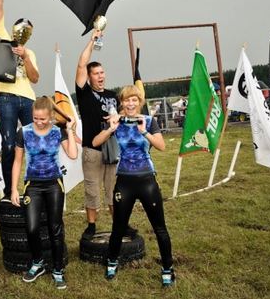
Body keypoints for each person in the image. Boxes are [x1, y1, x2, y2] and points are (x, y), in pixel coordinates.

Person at [92, 85, 175, 287]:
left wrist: (144, 131)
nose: (130, 104)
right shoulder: (116, 121)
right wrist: (111, 129)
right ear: (122, 102)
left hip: (147, 181)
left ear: (140, 103)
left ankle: (167, 268)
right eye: (127, 100)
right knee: (118, 227)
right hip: (124, 182)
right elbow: (95, 142)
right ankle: (112, 262)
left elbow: (162, 146)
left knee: (160, 228)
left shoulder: (148, 121)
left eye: (134, 100)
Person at [11, 96, 77, 290]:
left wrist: (70, 130)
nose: (39, 122)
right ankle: (38, 262)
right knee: (31, 227)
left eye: (43, 119)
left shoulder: (58, 132)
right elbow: (17, 161)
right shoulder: (23, 131)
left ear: (51, 116)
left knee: (55, 228)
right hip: (32, 184)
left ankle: (58, 270)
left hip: (54, 184)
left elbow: (73, 154)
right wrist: (14, 188)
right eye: (35, 118)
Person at [0, 0, 40, 196]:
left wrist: (26, 57)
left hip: (27, 99)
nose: (22, 34)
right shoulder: (1, 36)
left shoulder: (29, 52)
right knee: (9, 144)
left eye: (27, 32)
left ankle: (36, 185)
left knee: (34, 142)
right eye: (21, 30)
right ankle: (11, 190)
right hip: (6, 98)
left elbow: (35, 78)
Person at [75, 30, 123, 238]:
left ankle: (119, 224)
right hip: (92, 149)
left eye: (102, 72)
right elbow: (80, 64)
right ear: (89, 76)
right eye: (96, 73)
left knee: (113, 190)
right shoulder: (84, 93)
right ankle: (91, 226)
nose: (100, 76)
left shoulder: (113, 95)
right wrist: (92, 41)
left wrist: (117, 117)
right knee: (92, 189)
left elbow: (123, 112)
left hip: (112, 148)